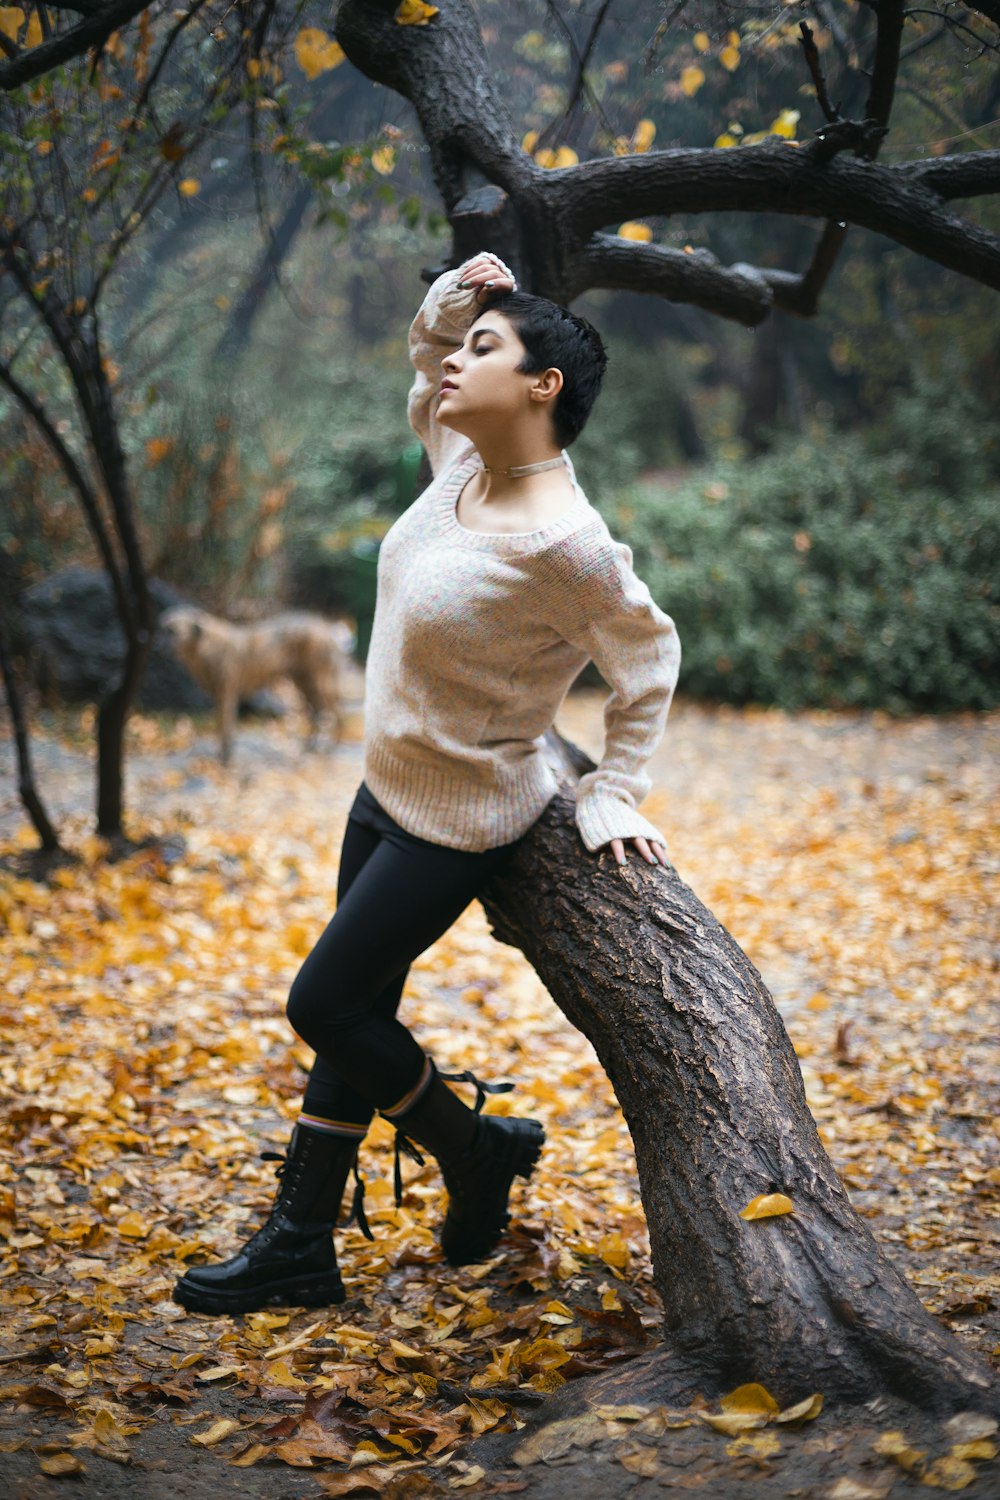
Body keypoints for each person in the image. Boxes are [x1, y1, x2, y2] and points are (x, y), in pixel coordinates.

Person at [173, 251, 681, 1315]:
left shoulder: (568, 544)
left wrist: (613, 788)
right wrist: (456, 304)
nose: (457, 363)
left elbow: (648, 657)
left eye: (485, 350)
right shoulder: (463, 464)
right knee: (358, 1010)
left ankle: (475, 1149)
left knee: (319, 1003)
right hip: (380, 786)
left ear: (543, 386)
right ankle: (299, 1245)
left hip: (457, 821)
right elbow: (422, 356)